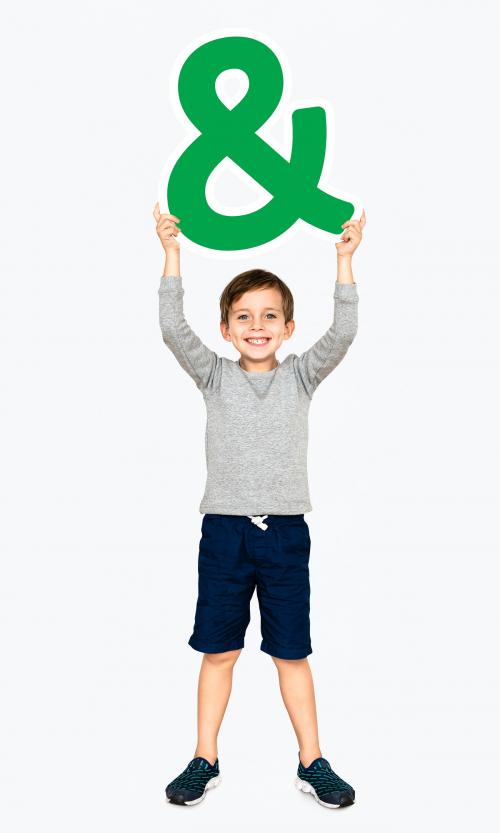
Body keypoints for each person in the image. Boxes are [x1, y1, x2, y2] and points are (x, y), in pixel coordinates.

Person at [154, 202, 365, 809]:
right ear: (225, 328)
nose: (256, 325)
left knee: (291, 652)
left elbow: (344, 333)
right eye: (243, 316)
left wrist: (343, 261)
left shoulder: (300, 376)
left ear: (287, 327)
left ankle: (312, 760)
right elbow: (172, 328)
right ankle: (204, 757)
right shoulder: (213, 376)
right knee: (218, 650)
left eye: (270, 315)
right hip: (223, 532)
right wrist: (171, 252)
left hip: (285, 536)